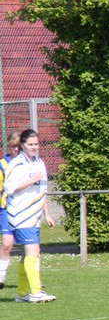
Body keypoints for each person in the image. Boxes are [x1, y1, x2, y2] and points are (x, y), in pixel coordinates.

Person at [3, 129, 57, 302]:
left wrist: (47, 214)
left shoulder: (40, 163)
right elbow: (9, 188)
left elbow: (43, 191)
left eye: (36, 144)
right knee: (33, 252)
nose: (34, 147)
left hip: (34, 216)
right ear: (22, 145)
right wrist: (31, 181)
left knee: (27, 254)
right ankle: (35, 292)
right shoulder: (17, 164)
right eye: (30, 144)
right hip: (21, 214)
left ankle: (22, 293)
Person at [0, 131, 22, 288]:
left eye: (19, 147)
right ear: (9, 146)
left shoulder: (27, 163)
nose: (16, 150)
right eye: (14, 146)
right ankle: (1, 277)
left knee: (30, 246)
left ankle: (33, 280)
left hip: (24, 209)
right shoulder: (2, 164)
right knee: (7, 243)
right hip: (6, 210)